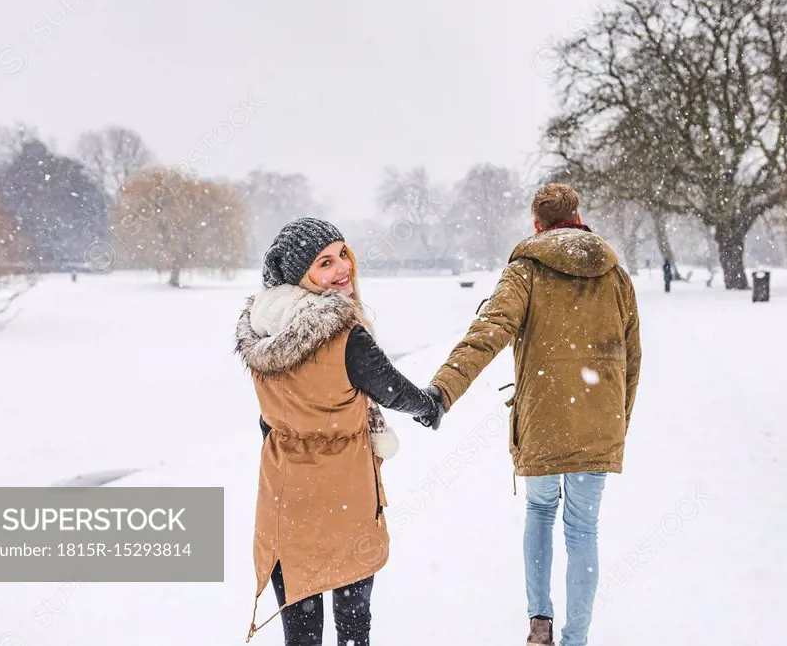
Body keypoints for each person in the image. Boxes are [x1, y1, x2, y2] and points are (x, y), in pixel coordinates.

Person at [421, 184, 642, 646]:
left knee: (540, 510)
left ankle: (539, 621)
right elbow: (632, 357)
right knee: (584, 529)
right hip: (599, 419)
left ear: (537, 223)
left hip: (543, 417)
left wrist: (444, 388)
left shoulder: (525, 270)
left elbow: (489, 331)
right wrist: (617, 420)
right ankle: (576, 638)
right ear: (578, 216)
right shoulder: (615, 275)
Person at [235, 217, 445, 645]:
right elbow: (393, 390)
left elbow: (268, 420)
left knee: (301, 630)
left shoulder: (259, 330)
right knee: (352, 623)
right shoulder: (344, 336)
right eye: (324, 263)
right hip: (344, 497)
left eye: (342, 254)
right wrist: (432, 405)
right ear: (300, 277)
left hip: (283, 499)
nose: (342, 268)